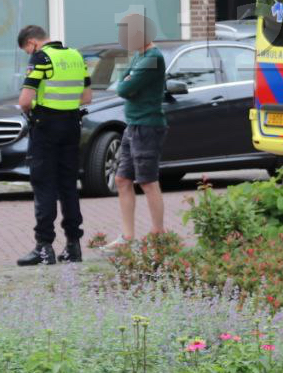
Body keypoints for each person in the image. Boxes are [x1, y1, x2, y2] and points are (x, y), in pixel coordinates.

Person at [15, 25, 91, 266]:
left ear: (32, 42)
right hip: (71, 125)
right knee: (68, 185)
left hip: (46, 126)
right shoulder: (76, 56)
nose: (29, 53)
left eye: (27, 49)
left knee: (44, 185)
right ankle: (73, 246)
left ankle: (44, 247)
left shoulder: (41, 57)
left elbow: (25, 101)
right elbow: (87, 97)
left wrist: (38, 106)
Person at [104, 14, 168, 252]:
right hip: (133, 124)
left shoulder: (153, 58)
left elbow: (124, 88)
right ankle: (128, 237)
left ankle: (158, 233)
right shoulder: (139, 56)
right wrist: (127, 79)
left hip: (147, 125)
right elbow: (123, 80)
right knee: (122, 179)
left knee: (148, 181)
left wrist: (127, 80)